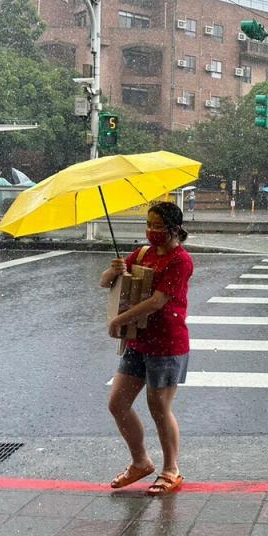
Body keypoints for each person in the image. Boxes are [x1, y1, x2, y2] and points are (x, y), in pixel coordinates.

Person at [99, 201, 194, 496]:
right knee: (118, 403)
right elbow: (105, 283)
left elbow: (158, 301)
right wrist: (114, 270)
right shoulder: (143, 253)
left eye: (157, 226)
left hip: (167, 344)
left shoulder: (181, 261)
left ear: (174, 229)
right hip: (138, 341)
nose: (151, 231)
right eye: (149, 225)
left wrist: (119, 320)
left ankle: (171, 470)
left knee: (159, 408)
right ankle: (140, 461)